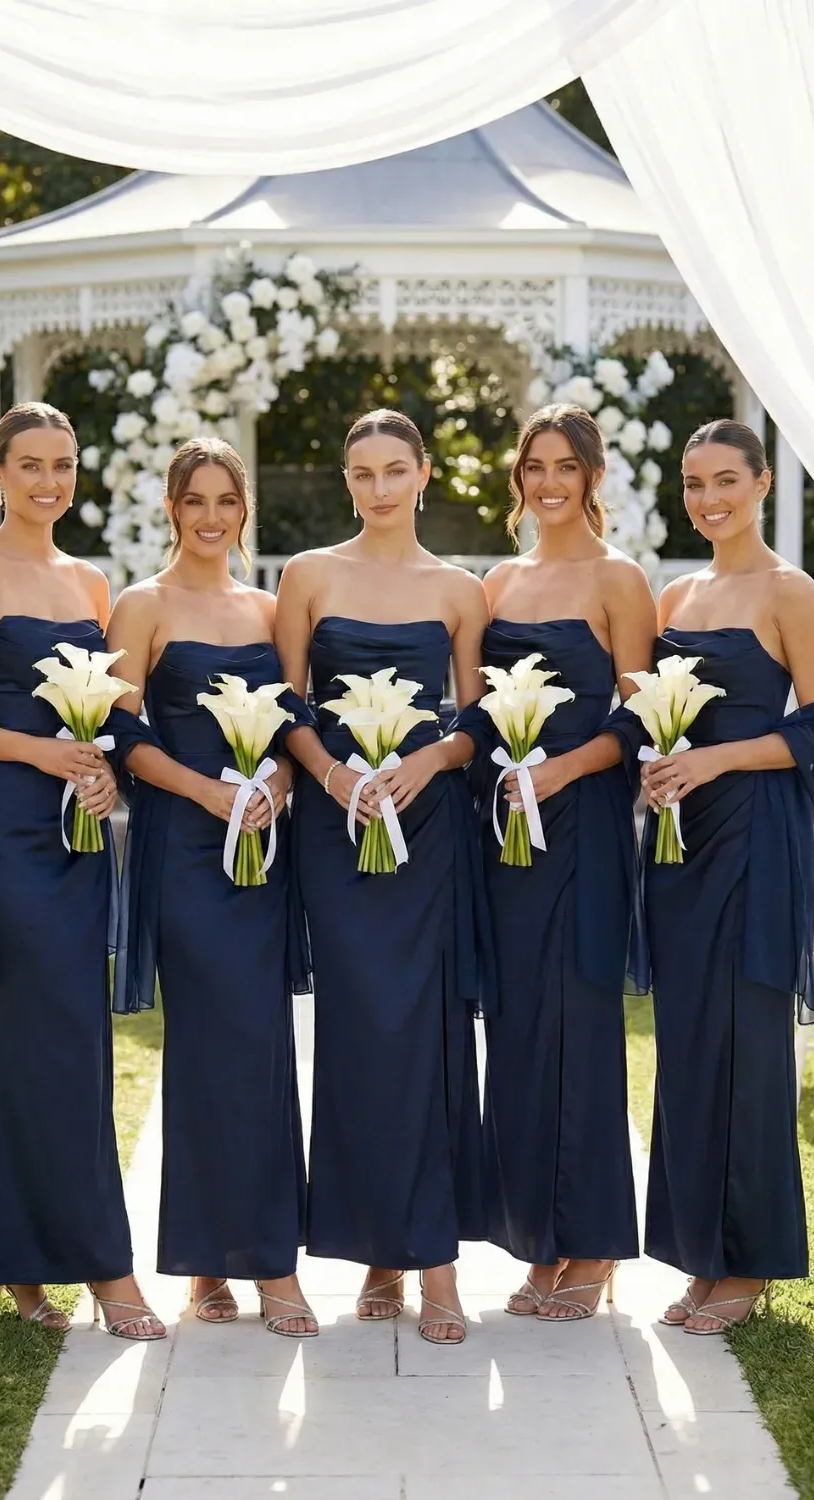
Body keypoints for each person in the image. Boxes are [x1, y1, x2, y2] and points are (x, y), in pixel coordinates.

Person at [0, 401, 162, 1339]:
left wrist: (99, 775)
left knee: (77, 1049)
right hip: (4, 838)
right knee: (26, 1048)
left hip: (75, 839)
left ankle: (40, 1265)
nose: (48, 482)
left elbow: (105, 721)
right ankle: (100, 1273)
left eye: (63, 465)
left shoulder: (92, 583)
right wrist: (41, 755)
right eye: (30, 466)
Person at [275, 408, 491, 1344]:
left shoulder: (460, 588)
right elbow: (285, 702)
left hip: (430, 828)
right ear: (348, 481)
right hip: (339, 827)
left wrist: (429, 762)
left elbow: (477, 721)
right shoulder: (307, 575)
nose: (377, 488)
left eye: (393, 470)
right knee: (361, 1035)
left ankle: (434, 1262)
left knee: (429, 1031)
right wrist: (333, 775)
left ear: (424, 474)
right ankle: (375, 1253)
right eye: (361, 473)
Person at [105, 436, 316, 1338]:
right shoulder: (140, 606)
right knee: (202, 1049)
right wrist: (208, 792)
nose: (211, 515)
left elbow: (294, 731)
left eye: (226, 500)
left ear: (243, 510)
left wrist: (277, 786)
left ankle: (272, 1267)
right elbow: (119, 731)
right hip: (184, 848)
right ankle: (204, 1267)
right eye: (195, 499)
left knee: (264, 1050)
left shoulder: (271, 611)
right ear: (171, 507)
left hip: (263, 856)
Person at [640, 419, 814, 1333]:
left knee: (748, 1051)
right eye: (693, 485)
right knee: (688, 1050)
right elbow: (656, 716)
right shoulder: (674, 596)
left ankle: (748, 1265)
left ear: (762, 483)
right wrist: (661, 759)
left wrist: (718, 763)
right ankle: (699, 1255)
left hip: (757, 840)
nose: (709, 500)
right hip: (680, 844)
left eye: (726, 480)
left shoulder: (790, 590)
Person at [454, 404, 654, 1321]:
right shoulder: (497, 581)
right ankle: (539, 1243)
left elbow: (641, 714)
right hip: (508, 838)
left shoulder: (620, 580)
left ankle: (597, 1243)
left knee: (581, 1026)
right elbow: (480, 711)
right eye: (534, 466)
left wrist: (563, 770)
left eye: (564, 466)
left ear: (593, 475)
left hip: (585, 828)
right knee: (524, 1033)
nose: (548, 482)